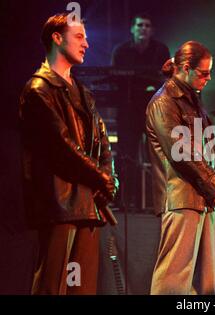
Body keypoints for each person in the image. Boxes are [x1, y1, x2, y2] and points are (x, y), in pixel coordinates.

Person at [19, 13, 118, 294]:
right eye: (79, 37)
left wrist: (106, 176)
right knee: (53, 284)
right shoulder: (39, 90)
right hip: (58, 204)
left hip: (86, 204)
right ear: (57, 38)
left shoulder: (83, 93)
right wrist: (101, 177)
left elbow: (102, 141)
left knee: (82, 287)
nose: (86, 44)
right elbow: (60, 146)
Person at [146, 40, 215, 294]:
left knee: (206, 282)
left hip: (202, 197)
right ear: (185, 68)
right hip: (180, 198)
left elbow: (210, 146)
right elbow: (181, 153)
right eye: (204, 73)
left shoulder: (193, 102)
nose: (209, 78)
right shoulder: (164, 102)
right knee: (174, 279)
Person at [111, 13, 170, 209]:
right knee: (126, 155)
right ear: (132, 29)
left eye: (147, 25)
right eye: (139, 25)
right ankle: (125, 199)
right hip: (129, 110)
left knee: (157, 154)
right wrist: (146, 84)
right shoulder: (121, 51)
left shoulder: (160, 50)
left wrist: (144, 84)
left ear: (151, 30)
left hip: (154, 110)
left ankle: (158, 200)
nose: (143, 28)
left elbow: (165, 80)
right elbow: (116, 81)